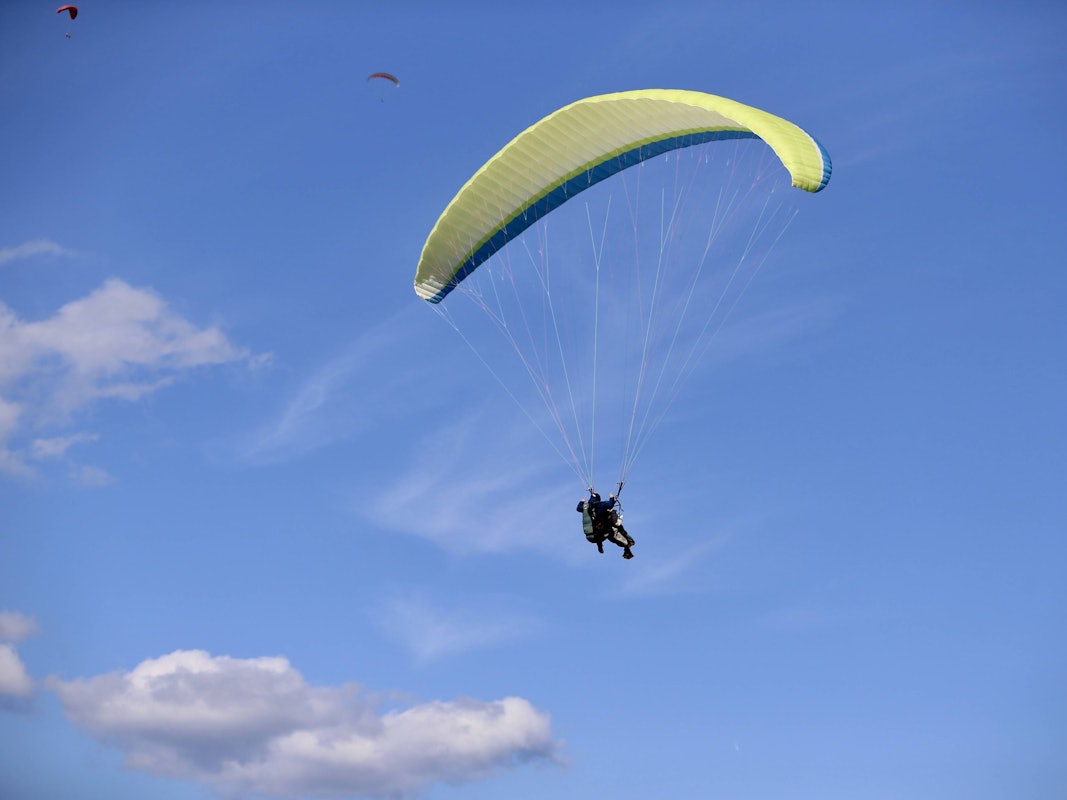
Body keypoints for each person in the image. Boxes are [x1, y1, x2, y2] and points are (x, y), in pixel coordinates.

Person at [577, 492, 635, 559]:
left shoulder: (586, 507)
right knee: (616, 529)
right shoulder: (600, 505)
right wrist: (611, 497)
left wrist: (581, 502)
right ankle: (628, 544)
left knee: (599, 530)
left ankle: (600, 545)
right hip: (602, 533)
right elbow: (610, 505)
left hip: (590, 536)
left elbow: (578, 508)